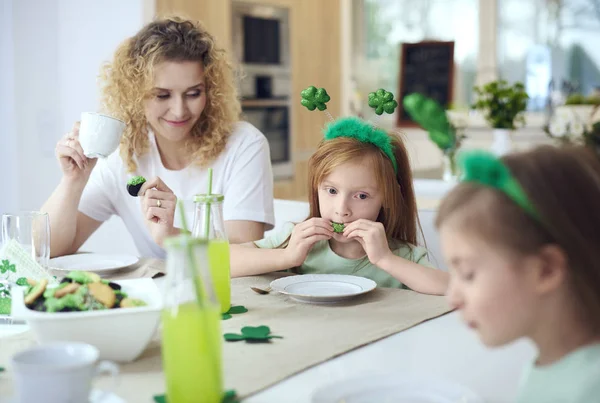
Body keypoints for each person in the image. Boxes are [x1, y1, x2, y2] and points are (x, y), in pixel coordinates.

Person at [42, 17, 274, 258]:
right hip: (151, 292)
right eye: (162, 95)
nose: (179, 110)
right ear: (135, 94)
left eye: (193, 93)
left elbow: (246, 259)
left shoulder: (244, 145)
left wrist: (171, 236)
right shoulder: (122, 154)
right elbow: (46, 250)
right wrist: (73, 180)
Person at [436, 146, 600, 402]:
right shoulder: (550, 366)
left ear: (546, 270)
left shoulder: (590, 389)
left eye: (467, 274)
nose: (452, 297)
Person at [230, 117, 449, 295]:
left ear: (387, 199)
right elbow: (221, 262)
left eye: (361, 196)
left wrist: (385, 259)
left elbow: (450, 288)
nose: (342, 209)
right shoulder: (297, 241)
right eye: (332, 191)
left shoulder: (401, 255)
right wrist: (287, 256)